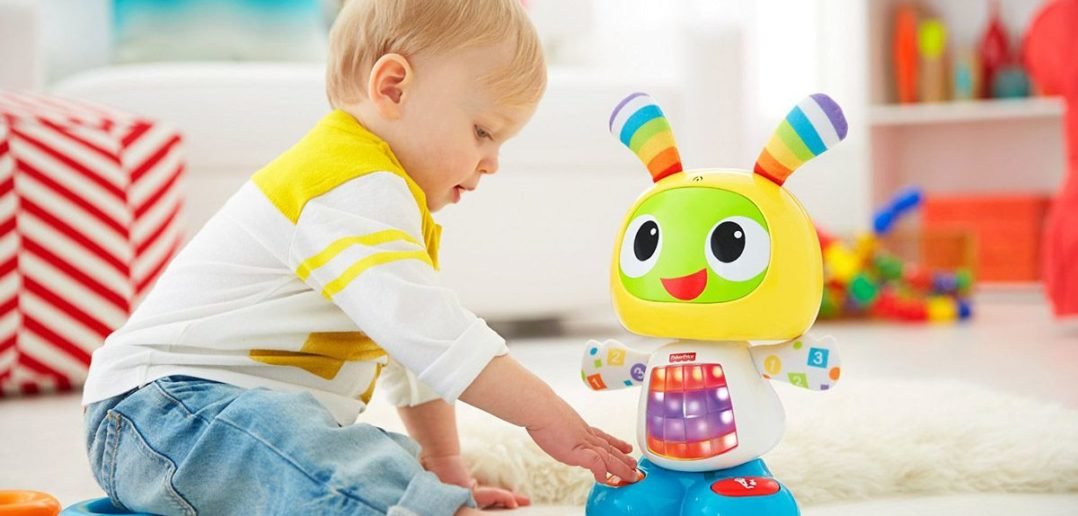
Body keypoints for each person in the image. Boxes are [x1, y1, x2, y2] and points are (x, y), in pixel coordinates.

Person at [81, 1, 637, 514]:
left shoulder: (385, 202)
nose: (492, 163)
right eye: (482, 131)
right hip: (161, 410)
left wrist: (446, 468)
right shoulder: (346, 185)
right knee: (306, 446)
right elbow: (435, 336)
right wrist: (547, 416)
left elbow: (414, 357)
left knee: (366, 449)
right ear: (393, 88)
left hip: (188, 428)